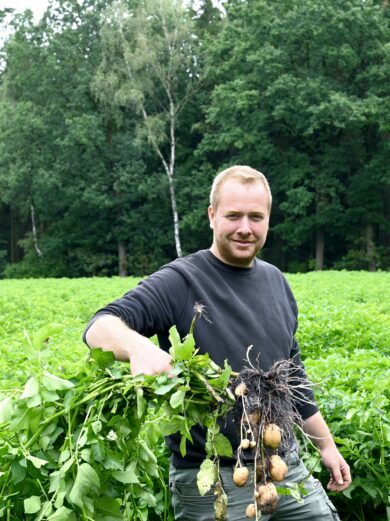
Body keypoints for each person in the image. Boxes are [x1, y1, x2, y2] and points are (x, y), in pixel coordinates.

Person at [84, 165, 351, 520]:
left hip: (283, 465)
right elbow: (99, 326)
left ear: (268, 220)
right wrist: (137, 347)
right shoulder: (181, 280)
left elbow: (294, 379)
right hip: (217, 477)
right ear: (212, 216)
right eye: (233, 215)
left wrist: (327, 446)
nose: (245, 228)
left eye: (256, 217)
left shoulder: (277, 282)